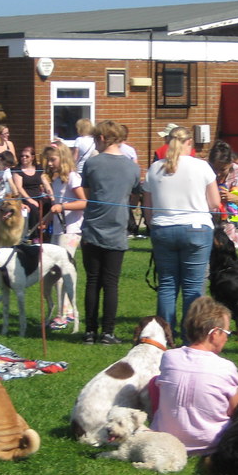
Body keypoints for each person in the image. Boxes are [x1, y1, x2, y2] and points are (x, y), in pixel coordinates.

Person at [142, 127, 221, 336]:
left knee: (167, 285)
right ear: (189, 144)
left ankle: (164, 336)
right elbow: (215, 203)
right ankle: (191, 336)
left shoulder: (154, 168)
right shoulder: (202, 166)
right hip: (196, 228)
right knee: (193, 287)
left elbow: (147, 207)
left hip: (163, 228)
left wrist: (153, 226)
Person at [152, 297, 238, 455]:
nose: (227, 337)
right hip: (212, 443)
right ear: (214, 334)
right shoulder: (226, 367)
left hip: (166, 439)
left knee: (154, 382)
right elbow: (236, 411)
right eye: (227, 332)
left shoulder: (169, 357)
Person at [79, 120, 140, 345]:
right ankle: (108, 333)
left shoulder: (92, 164)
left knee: (92, 281)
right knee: (111, 283)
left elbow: (86, 193)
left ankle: (89, 332)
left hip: (93, 228)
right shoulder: (132, 166)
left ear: (102, 138)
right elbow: (135, 196)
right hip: (117, 228)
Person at [207, 140, 238, 248]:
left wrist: (236, 199)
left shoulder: (236, 171)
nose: (218, 173)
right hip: (206, 229)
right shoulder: (203, 170)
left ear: (230, 163)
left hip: (229, 231)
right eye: (214, 169)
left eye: (222, 169)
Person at [11, 145, 50, 232]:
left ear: (32, 157)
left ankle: (46, 231)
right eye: (22, 156)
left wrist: (51, 194)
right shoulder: (17, 170)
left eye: (26, 156)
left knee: (49, 204)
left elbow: (46, 183)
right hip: (25, 198)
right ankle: (35, 234)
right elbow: (19, 187)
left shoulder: (38, 169)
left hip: (38, 196)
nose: (23, 158)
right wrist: (30, 200)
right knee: (34, 209)